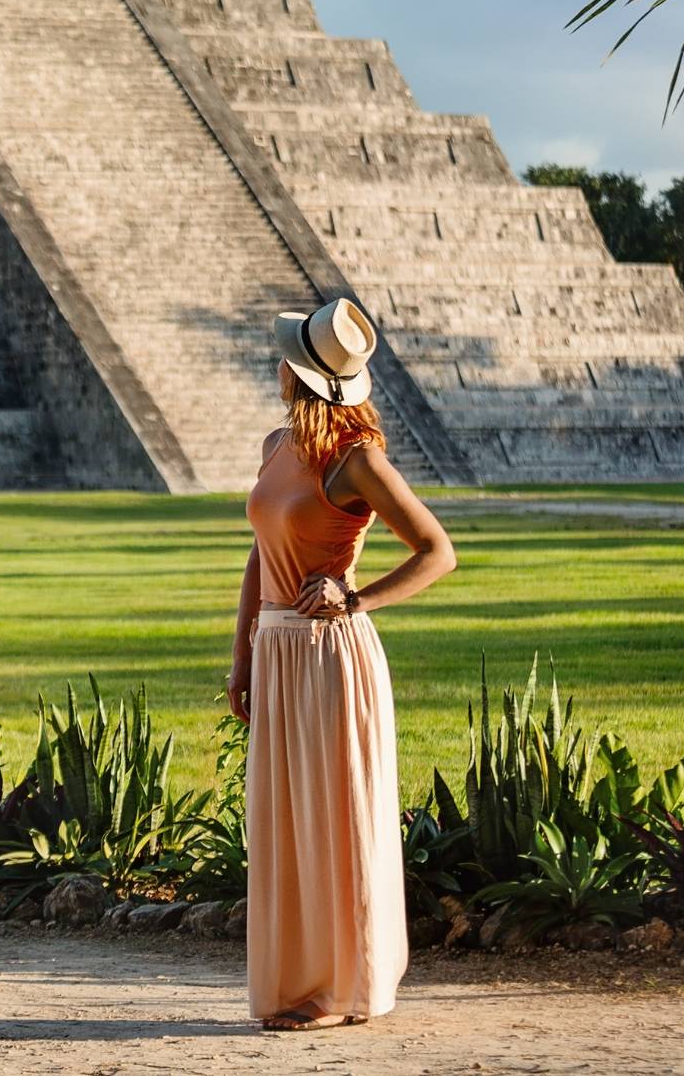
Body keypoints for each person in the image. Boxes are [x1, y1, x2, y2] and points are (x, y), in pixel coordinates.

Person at [225, 297, 457, 1031]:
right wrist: (242, 659)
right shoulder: (275, 446)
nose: (276, 366)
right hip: (277, 650)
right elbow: (256, 560)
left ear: (300, 373)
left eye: (285, 358)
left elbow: (437, 552)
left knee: (335, 822)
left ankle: (339, 989)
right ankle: (299, 981)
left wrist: (357, 597)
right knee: (285, 827)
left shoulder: (358, 461)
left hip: (329, 658)